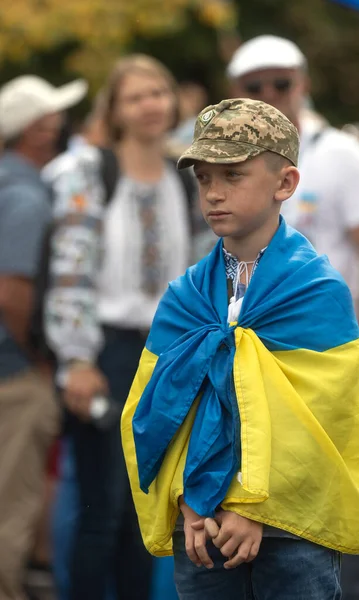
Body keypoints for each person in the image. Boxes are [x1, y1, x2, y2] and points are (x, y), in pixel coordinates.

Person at [121, 98, 359, 600]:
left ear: (285, 185)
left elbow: (325, 419)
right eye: (203, 179)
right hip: (203, 526)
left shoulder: (316, 290)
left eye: (233, 176)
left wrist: (253, 507)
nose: (214, 194)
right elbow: (155, 410)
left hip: (291, 530)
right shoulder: (185, 298)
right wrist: (186, 500)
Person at [44, 54, 190, 600]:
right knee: (101, 508)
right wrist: (76, 359)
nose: (151, 104)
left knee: (149, 514)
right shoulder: (90, 172)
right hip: (104, 352)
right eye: (136, 96)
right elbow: (71, 267)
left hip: (171, 356)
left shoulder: (189, 174)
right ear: (116, 110)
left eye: (158, 91)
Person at [0, 75, 87, 600]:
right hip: (14, 374)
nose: (59, 122)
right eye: (51, 114)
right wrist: (37, 360)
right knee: (11, 508)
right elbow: (12, 292)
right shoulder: (27, 193)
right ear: (35, 128)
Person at [226, 35, 359, 314]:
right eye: (254, 86)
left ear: (304, 85)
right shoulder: (221, 164)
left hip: (328, 328)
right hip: (252, 330)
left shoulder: (342, 152)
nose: (268, 94)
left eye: (281, 83)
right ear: (235, 92)